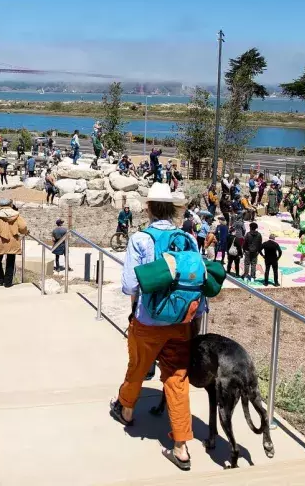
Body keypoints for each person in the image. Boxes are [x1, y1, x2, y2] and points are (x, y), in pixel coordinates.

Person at [111, 182, 197, 471]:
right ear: (173, 209)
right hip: (182, 322)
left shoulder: (140, 240)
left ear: (148, 208)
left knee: (137, 367)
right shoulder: (188, 238)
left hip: (148, 320)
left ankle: (127, 410)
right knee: (177, 379)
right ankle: (181, 446)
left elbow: (129, 286)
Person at [0, 199, 28, 288]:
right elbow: (23, 227)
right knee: (11, 261)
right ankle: (8, 282)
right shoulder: (16, 215)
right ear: (10, 204)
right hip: (13, 241)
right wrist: (25, 232)